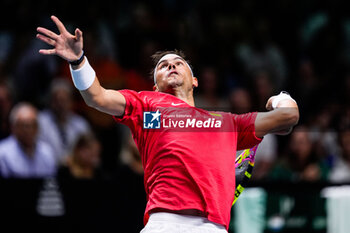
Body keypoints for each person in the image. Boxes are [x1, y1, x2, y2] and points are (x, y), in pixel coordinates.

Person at [36, 15, 299, 233]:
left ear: (194, 80)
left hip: (214, 227)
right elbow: (96, 96)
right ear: (155, 85)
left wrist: (281, 97)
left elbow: (288, 117)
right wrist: (78, 61)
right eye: (163, 66)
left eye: (178, 63)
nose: (171, 66)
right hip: (165, 222)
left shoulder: (226, 122)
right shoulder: (146, 105)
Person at [38, 78, 91, 164]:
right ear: (51, 101)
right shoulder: (41, 121)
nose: (60, 105)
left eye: (64, 100)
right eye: (57, 100)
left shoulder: (81, 124)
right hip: (49, 168)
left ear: (71, 102)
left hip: (75, 170)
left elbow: (87, 149)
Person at [0, 102, 56, 178]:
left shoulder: (47, 152)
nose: (29, 130)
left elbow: (51, 182)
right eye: (24, 126)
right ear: (13, 127)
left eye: (33, 125)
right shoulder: (2, 153)